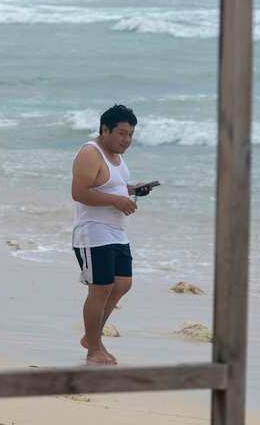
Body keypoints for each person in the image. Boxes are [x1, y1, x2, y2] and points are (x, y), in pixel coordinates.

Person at [70, 104, 157, 365]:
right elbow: (80, 192)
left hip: (117, 232)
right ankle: (93, 348)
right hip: (92, 233)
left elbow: (112, 186)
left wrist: (130, 190)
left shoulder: (116, 156)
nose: (126, 140)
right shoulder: (90, 153)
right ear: (104, 129)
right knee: (101, 288)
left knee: (122, 284)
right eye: (121, 133)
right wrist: (117, 202)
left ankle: (91, 337)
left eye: (130, 134)